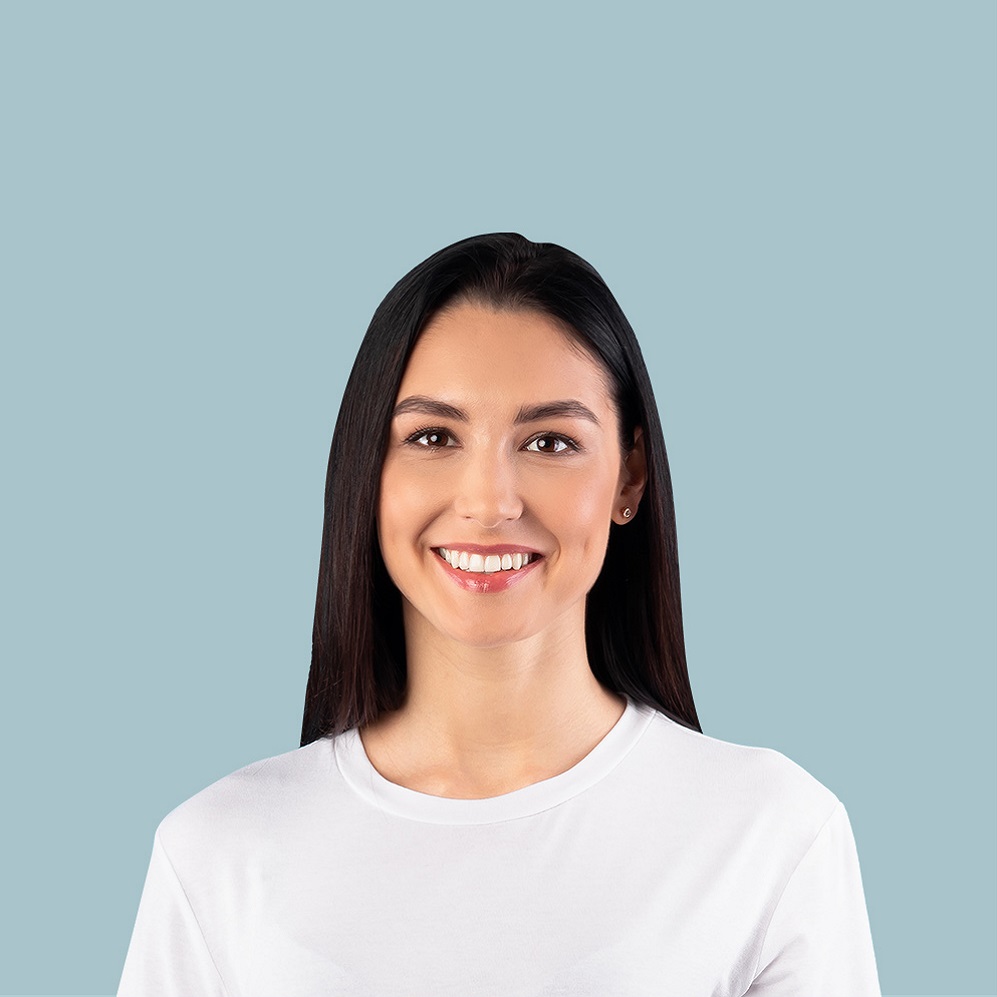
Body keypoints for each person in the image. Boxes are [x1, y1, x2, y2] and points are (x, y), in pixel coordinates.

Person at [118, 233, 881, 995]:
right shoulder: (217, 852)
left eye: (549, 441)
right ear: (366, 471)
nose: (488, 502)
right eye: (432, 437)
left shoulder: (768, 834)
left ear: (630, 476)